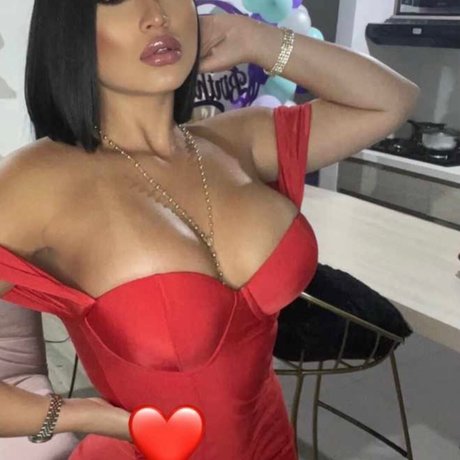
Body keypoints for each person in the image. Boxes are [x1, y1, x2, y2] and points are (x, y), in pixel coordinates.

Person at [0, 0, 419, 458]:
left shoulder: (240, 141)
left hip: (273, 445)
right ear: (69, 28)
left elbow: (391, 100)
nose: (156, 14)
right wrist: (79, 416)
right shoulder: (33, 183)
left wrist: (256, 39)